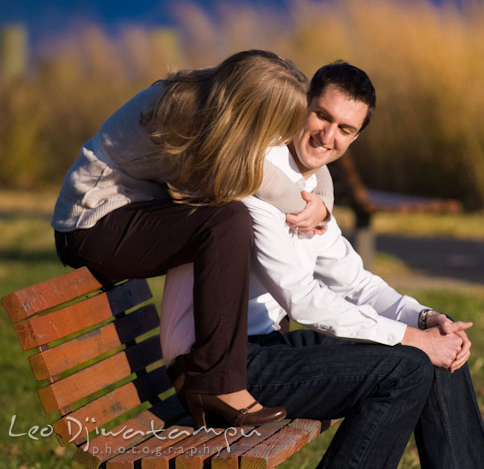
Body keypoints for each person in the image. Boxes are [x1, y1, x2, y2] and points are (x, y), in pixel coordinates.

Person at [161, 61, 484, 468]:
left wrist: (424, 319)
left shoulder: (312, 187)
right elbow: (301, 298)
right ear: (302, 106)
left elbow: (356, 283)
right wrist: (411, 339)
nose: (328, 136)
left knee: (436, 353)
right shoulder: (253, 175)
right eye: (322, 116)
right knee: (405, 369)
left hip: (267, 347)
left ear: (355, 138)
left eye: (345, 129)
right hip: (219, 368)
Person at [51, 50, 335, 428]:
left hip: (141, 210)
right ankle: (213, 383)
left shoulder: (223, 103)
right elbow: (258, 176)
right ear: (253, 108)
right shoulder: (185, 111)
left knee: (227, 219)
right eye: (278, 125)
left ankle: (253, 356)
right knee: (224, 221)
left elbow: (304, 163)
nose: (282, 137)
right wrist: (311, 205)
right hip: (92, 222)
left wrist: (325, 204)